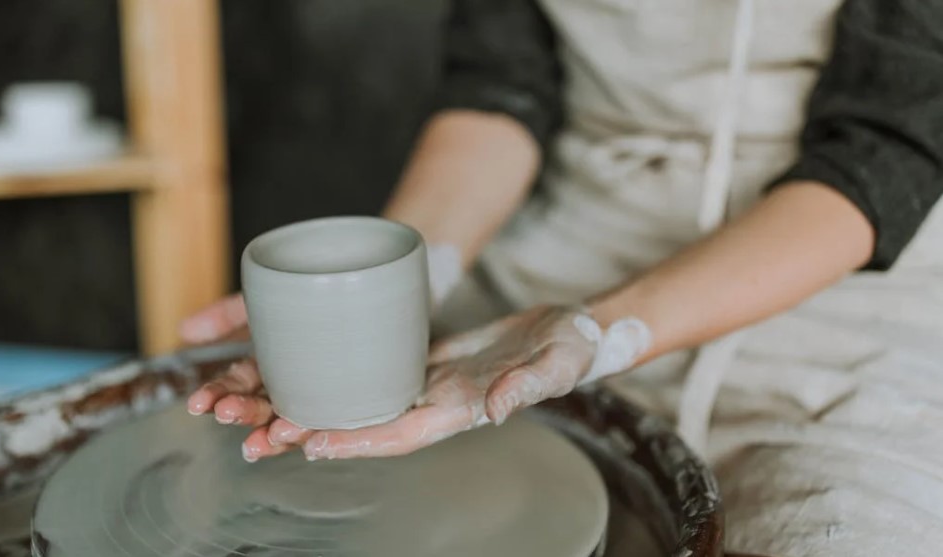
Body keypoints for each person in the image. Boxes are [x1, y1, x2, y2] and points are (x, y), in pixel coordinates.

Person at [181, 1, 943, 554]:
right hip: (563, 252)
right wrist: (397, 289)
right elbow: (500, 88)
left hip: (832, 275)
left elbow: (885, 147)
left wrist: (595, 332)